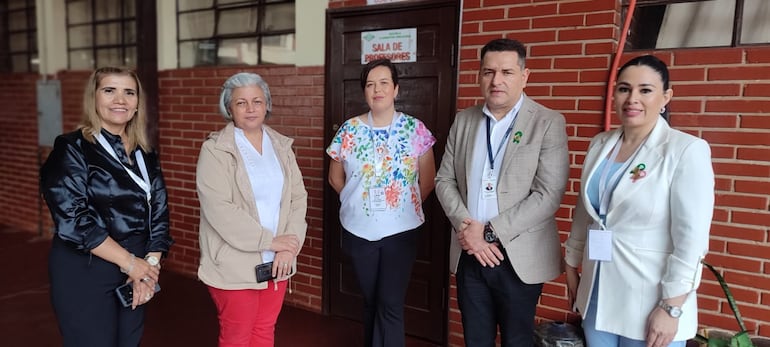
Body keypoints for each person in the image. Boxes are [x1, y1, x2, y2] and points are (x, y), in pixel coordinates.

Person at [564, 55, 714, 347]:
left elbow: (691, 240)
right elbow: (586, 211)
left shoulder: (685, 151)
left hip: (649, 299)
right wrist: (571, 264)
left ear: (665, 97)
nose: (632, 98)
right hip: (598, 290)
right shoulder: (600, 144)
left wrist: (672, 307)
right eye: (624, 89)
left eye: (645, 90)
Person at [434, 38, 570, 346]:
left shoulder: (547, 122)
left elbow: (548, 194)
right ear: (479, 76)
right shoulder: (465, 120)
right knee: (476, 339)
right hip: (470, 253)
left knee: (516, 340)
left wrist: (489, 233)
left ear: (524, 76)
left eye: (507, 72)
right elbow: (444, 180)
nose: (497, 81)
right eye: (488, 72)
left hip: (518, 256)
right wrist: (469, 229)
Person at [40, 66, 174, 347]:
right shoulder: (71, 148)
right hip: (86, 266)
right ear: (94, 98)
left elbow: (159, 212)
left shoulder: (145, 153)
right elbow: (75, 220)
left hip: (137, 265)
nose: (120, 100)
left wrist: (148, 267)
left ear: (138, 103)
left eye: (129, 92)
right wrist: (130, 264)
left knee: (129, 342)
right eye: (110, 90)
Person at [326, 58, 436, 347]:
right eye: (370, 84)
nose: (377, 89)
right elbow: (335, 178)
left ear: (396, 88)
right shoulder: (349, 130)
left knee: (390, 302)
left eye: (384, 83)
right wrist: (357, 203)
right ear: (364, 91)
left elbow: (428, 179)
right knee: (371, 300)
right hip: (358, 231)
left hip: (401, 232)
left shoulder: (415, 129)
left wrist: (400, 208)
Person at [196, 72, 307, 347]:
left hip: (278, 260)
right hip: (234, 263)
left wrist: (288, 246)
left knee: (264, 330)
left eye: (257, 101)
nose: (250, 108)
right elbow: (219, 209)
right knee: (237, 337)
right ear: (229, 108)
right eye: (241, 102)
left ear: (267, 104)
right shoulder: (215, 151)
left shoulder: (281, 146)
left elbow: (297, 198)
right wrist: (270, 241)